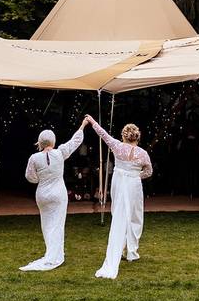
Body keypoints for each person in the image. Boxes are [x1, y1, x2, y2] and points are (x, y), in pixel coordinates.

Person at [85, 115, 153, 279]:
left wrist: (92, 122)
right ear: (137, 137)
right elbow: (149, 171)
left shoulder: (116, 146)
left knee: (119, 214)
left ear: (124, 136)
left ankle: (125, 248)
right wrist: (136, 175)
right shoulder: (143, 153)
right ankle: (132, 251)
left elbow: (103, 134)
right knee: (135, 216)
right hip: (134, 185)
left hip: (119, 183)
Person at [21, 119, 88, 271]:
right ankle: (55, 255)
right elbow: (75, 141)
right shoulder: (60, 153)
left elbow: (29, 177)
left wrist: (40, 179)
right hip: (58, 194)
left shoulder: (34, 158)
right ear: (53, 140)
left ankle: (52, 253)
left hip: (43, 194)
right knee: (57, 225)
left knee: (46, 225)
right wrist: (83, 125)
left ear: (40, 142)